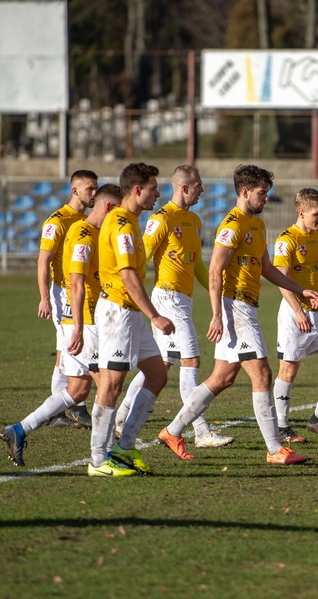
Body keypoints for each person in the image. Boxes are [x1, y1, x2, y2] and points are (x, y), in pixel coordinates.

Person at [157, 164, 318, 465]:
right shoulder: (232, 225)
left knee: (221, 378)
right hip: (236, 307)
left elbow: (268, 269)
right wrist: (217, 315)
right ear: (245, 192)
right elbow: (215, 270)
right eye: (262, 193)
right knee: (262, 374)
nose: (266, 199)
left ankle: (172, 431)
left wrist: (300, 290)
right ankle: (275, 450)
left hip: (246, 306)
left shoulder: (256, 225)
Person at [1, 184, 124, 466]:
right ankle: (108, 451)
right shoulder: (83, 235)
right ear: (107, 207)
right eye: (118, 213)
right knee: (107, 385)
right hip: (83, 321)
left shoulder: (93, 232)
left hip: (84, 320)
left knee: (78, 391)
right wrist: (79, 326)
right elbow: (76, 283)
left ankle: (19, 430)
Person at [116, 165, 234, 449]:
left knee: (162, 364)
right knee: (190, 361)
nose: (203, 190)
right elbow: (140, 254)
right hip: (167, 299)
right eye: (199, 185)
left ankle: (120, 419)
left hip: (184, 300)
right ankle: (201, 431)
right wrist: (129, 290)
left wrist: (222, 290)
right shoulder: (161, 218)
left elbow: (199, 266)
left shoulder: (194, 220)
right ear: (184, 187)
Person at [88, 163, 175, 477]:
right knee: (111, 384)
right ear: (137, 190)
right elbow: (126, 275)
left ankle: (125, 446)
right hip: (118, 313)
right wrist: (155, 315)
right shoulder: (122, 224)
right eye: (153, 187)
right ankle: (98, 460)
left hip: (131, 314)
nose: (158, 193)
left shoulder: (130, 221)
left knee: (156, 374)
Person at [271, 188, 318, 443]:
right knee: (289, 371)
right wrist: (296, 311)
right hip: (295, 315)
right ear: (301, 212)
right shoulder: (286, 240)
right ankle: (282, 427)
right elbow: (281, 280)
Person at [37, 170, 98, 428]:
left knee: (67, 348)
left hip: (81, 290)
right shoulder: (57, 221)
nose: (94, 193)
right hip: (62, 291)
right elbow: (43, 260)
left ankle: (64, 407)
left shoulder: (86, 219)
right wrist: (44, 298)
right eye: (90, 189)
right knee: (72, 347)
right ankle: (71, 407)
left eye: (96, 188)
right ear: (75, 190)